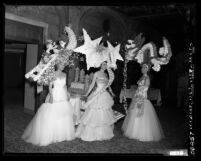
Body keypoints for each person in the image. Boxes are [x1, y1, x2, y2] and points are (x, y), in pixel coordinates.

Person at [22, 63, 75, 146]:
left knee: (63, 114)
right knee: (52, 113)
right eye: (61, 65)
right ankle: (50, 135)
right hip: (55, 94)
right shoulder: (52, 74)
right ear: (57, 65)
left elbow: (64, 86)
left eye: (63, 65)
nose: (63, 66)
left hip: (63, 95)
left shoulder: (65, 74)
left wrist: (67, 94)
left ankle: (61, 134)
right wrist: (51, 96)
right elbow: (50, 87)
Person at [122, 63, 164, 141]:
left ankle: (139, 133)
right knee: (134, 114)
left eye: (145, 67)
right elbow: (139, 88)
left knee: (140, 114)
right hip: (137, 97)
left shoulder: (147, 78)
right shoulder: (142, 76)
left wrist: (140, 100)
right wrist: (135, 96)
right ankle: (133, 131)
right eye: (142, 67)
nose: (143, 69)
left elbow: (145, 90)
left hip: (142, 98)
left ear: (148, 69)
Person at [75, 61, 117, 141]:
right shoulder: (96, 73)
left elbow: (107, 85)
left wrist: (111, 92)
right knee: (93, 112)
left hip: (104, 95)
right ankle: (91, 134)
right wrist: (86, 94)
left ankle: (102, 134)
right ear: (100, 65)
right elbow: (92, 85)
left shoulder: (106, 74)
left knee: (104, 113)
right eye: (103, 64)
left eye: (106, 65)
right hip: (97, 94)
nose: (105, 66)